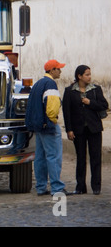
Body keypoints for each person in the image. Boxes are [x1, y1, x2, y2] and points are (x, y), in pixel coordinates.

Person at [25, 59, 72, 196]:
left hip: (38, 126)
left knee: (40, 157)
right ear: (52, 70)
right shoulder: (50, 84)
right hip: (48, 126)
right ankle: (57, 187)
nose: (60, 71)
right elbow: (52, 108)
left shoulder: (39, 83)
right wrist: (52, 121)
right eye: (58, 69)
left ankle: (41, 187)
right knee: (53, 156)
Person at [62, 65, 109, 195]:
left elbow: (104, 105)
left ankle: (96, 186)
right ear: (79, 76)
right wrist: (69, 130)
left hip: (94, 129)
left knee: (95, 157)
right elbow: (67, 112)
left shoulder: (95, 89)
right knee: (81, 158)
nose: (89, 77)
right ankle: (80, 186)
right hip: (78, 130)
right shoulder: (70, 91)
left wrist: (90, 103)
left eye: (90, 74)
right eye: (87, 74)